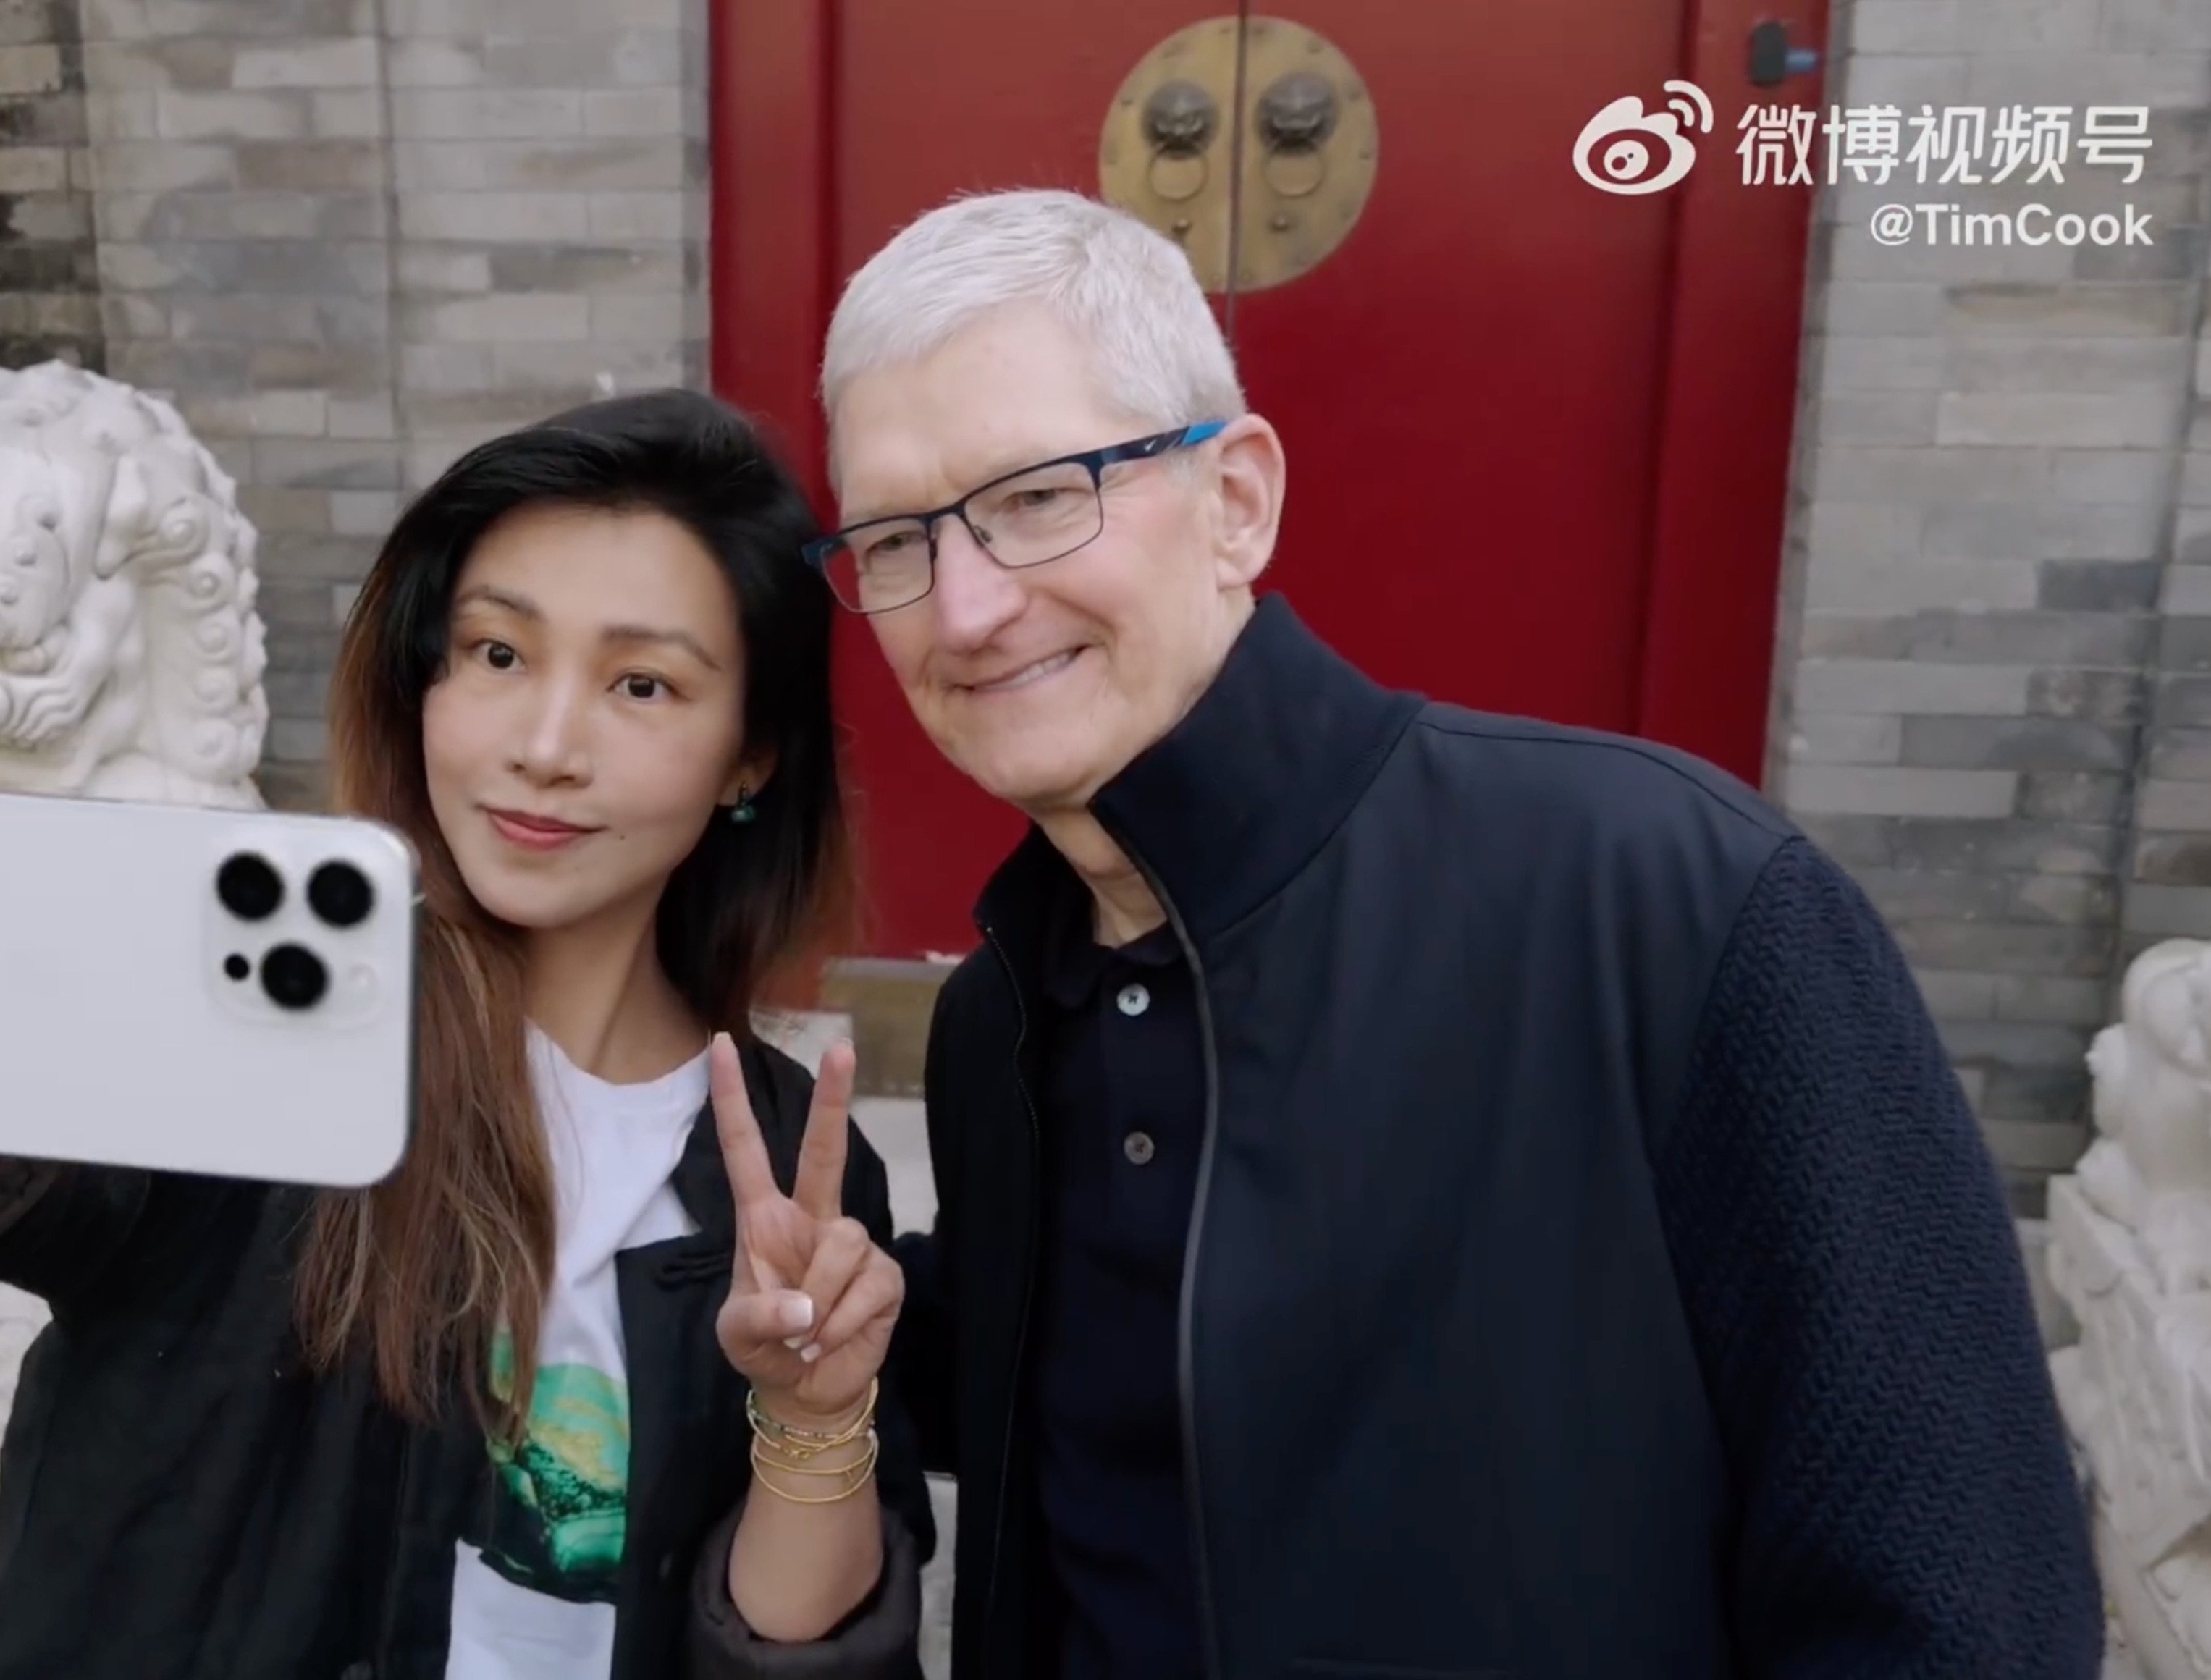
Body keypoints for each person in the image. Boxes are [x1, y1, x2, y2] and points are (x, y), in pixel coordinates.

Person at [805, 190, 2101, 1676]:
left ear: (1233, 500)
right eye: (896, 538)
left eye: (1037, 495)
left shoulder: (1668, 903)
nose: (963, 606)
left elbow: (1961, 1609)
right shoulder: (1006, 1013)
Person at [0, 389, 935, 1680]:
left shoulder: (792, 1176)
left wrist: (812, 1414)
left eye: (642, 685)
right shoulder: (265, 1015)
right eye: (497, 653)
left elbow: (780, 1648)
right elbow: (33, 1182)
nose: (543, 743)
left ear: (750, 756)